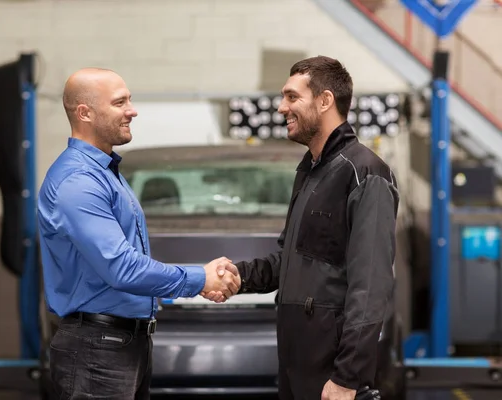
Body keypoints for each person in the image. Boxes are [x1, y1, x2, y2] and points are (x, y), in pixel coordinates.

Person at [37, 67, 241, 400]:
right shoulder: (78, 182)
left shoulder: (106, 173)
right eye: (120, 103)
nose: (132, 110)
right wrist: (200, 279)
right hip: (97, 351)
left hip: (122, 344)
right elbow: (122, 268)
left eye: (129, 100)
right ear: (84, 113)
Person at [203, 56, 399, 400]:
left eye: (293, 97)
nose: (281, 108)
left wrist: (347, 378)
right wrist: (238, 276)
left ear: (325, 101)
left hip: (332, 375)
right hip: (297, 367)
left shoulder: (365, 173)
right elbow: (292, 261)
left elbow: (370, 286)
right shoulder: (310, 170)